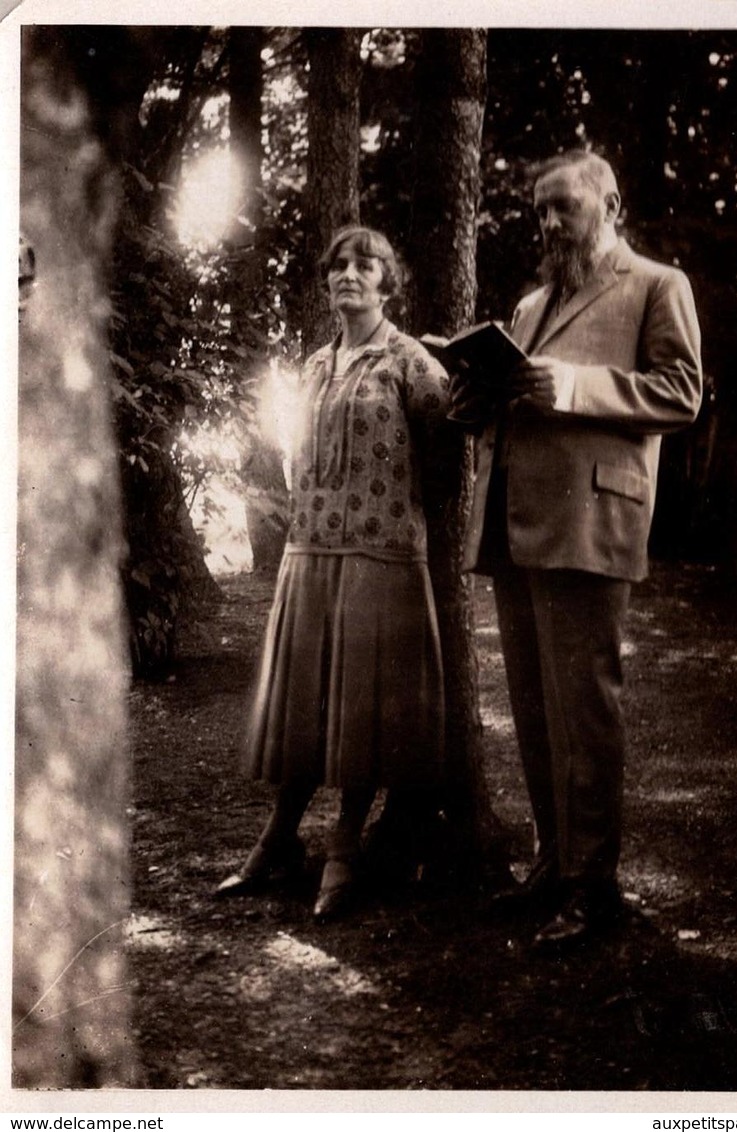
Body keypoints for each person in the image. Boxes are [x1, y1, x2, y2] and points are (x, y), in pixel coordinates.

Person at [455, 149, 703, 948]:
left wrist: (572, 387)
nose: (550, 223)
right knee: (532, 708)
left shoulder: (657, 286)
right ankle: (550, 866)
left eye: (564, 205)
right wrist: (471, 396)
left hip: (591, 521)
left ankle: (592, 890)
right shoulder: (528, 306)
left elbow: (680, 393)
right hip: (515, 521)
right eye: (540, 211)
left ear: (611, 203)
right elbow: (510, 397)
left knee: (584, 711)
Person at [215, 225, 450, 921]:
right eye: (338, 265)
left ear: (387, 281)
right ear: (326, 282)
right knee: (304, 705)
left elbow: (445, 457)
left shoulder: (412, 362)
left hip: (380, 553)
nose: (349, 273)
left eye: (365, 263)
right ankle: (277, 839)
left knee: (361, 709)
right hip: (309, 550)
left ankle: (345, 847)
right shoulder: (315, 365)